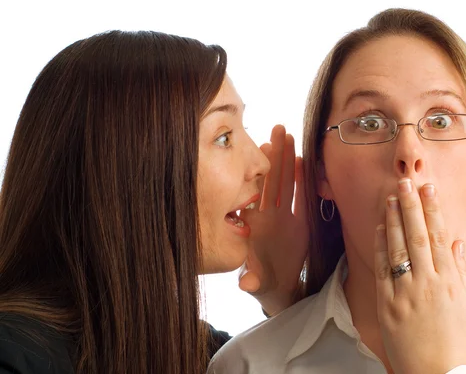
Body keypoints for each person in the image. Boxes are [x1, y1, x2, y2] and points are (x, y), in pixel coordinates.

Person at [208, 8, 466, 373]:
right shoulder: (247, 363)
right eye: (370, 122)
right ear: (321, 173)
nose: (409, 153)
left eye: (441, 119)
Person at [0, 31, 307, 373]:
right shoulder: (15, 357)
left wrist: (284, 300)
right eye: (223, 137)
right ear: (127, 165)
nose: (260, 164)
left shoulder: (203, 354)